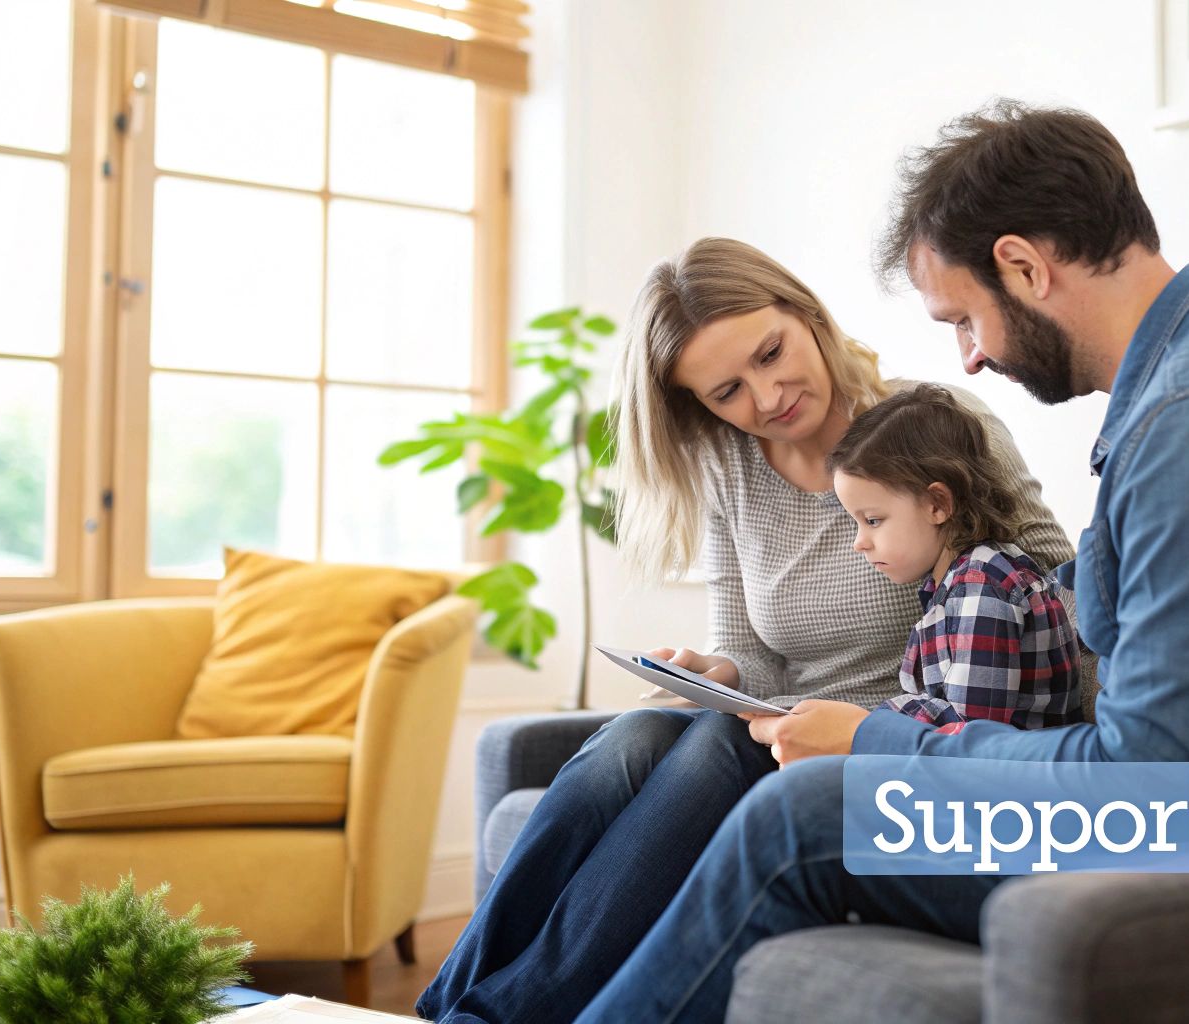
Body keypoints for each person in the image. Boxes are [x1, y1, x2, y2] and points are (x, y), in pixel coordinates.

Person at [569, 100, 1189, 1021]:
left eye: (964, 318)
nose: (967, 359)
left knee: (800, 818)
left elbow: (1146, 774)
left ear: (1025, 268)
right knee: (701, 766)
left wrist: (879, 740)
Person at [416, 237, 1082, 1023]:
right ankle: (441, 1008)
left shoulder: (931, 425)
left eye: (771, 354)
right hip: (780, 722)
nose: (767, 398)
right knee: (632, 737)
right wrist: (717, 672)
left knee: (714, 743)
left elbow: (1055, 588)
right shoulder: (731, 466)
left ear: (805, 315)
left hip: (875, 738)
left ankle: (492, 1018)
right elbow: (751, 648)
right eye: (728, 391)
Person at [826, 382, 1081, 733]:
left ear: (937, 504)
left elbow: (970, 734)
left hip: (1012, 765)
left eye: (872, 520)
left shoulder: (983, 585)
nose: (859, 543)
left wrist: (871, 723)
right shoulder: (953, 585)